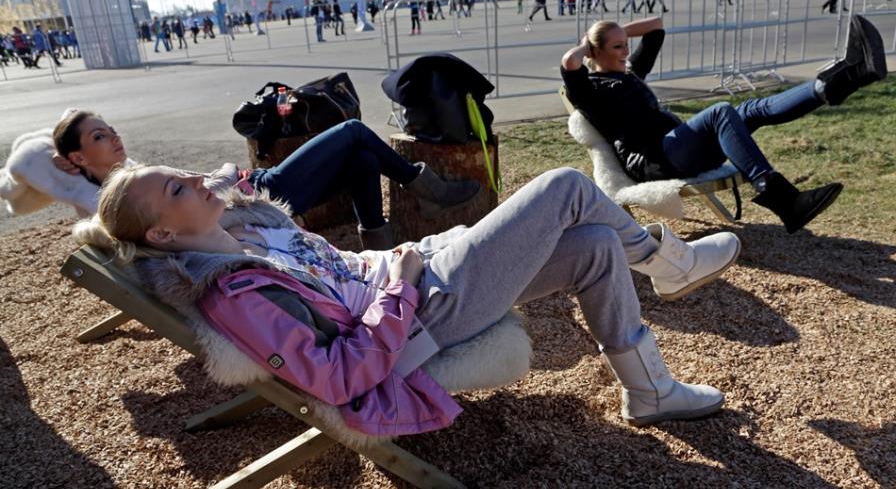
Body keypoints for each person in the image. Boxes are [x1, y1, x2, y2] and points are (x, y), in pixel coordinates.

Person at [73, 161, 741, 434]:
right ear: (163, 232)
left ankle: (648, 390)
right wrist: (398, 287)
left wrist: (398, 263)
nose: (195, 178)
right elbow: (337, 377)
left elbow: (339, 269)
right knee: (566, 186)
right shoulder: (235, 297)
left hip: (419, 280)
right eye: (178, 189)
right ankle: (669, 265)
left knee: (594, 242)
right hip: (422, 317)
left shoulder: (248, 229)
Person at [561, 15, 888, 233]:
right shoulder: (591, 91)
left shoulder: (629, 72)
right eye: (617, 47)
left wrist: (616, 33)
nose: (625, 51)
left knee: (749, 110)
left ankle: (844, 77)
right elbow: (570, 63)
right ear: (596, 52)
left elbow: (656, 26)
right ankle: (783, 199)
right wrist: (587, 45)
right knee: (721, 111)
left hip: (675, 146)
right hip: (653, 160)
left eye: (626, 45)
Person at [43, 111, 480, 250]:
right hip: (260, 196)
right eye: (99, 136)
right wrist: (225, 176)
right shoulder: (116, 200)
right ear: (77, 156)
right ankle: (427, 190)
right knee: (352, 131)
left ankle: (382, 247)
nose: (113, 136)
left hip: (254, 188)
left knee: (363, 158)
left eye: (109, 128)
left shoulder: (131, 175)